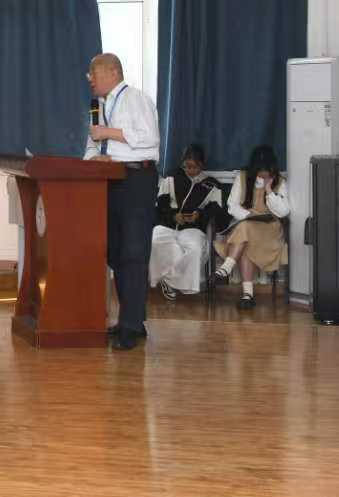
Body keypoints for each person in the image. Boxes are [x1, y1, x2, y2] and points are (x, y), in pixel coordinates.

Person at [85, 52, 160, 350]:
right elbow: (92, 143)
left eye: (93, 72)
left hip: (136, 179)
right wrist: (95, 157)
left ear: (112, 72)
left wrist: (108, 133)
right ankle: (131, 319)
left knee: (133, 251)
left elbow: (149, 138)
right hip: (111, 178)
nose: (89, 78)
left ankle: (131, 325)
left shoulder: (135, 99)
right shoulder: (99, 106)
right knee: (115, 251)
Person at [214, 145, 291, 309]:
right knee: (246, 234)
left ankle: (227, 267)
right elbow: (232, 206)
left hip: (269, 230)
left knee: (245, 230)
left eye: (266, 170)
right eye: (260, 170)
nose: (263, 174)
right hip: (247, 224)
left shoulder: (280, 182)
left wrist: (269, 190)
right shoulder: (242, 178)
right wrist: (249, 216)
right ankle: (247, 295)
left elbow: (284, 211)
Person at [150, 143, 224, 300]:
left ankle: (169, 280)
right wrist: (173, 216)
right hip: (168, 225)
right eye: (186, 166)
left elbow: (216, 211)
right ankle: (169, 282)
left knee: (195, 249)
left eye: (194, 167)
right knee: (155, 240)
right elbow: (160, 205)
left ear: (202, 165)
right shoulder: (171, 178)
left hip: (193, 229)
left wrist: (199, 215)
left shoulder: (211, 185)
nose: (190, 170)